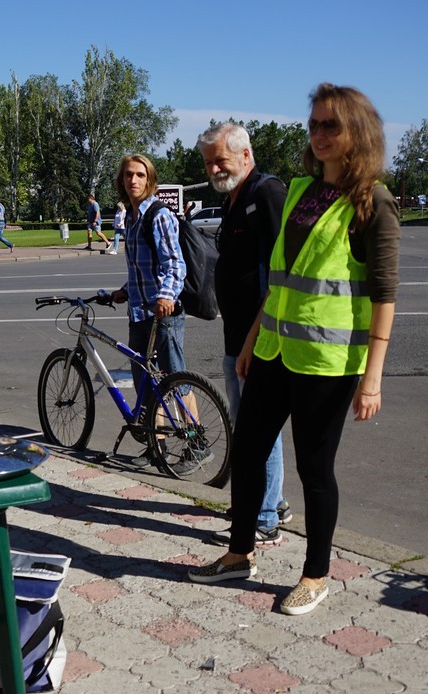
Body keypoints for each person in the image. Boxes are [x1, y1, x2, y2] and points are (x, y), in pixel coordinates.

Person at [189, 84, 400, 618]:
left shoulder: (373, 201)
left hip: (328, 364)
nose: (321, 135)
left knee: (314, 469)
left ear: (358, 131)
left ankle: (316, 575)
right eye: (315, 125)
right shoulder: (303, 188)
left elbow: (385, 294)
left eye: (332, 125)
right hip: (275, 350)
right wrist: (255, 336)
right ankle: (240, 553)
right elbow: (281, 275)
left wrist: (372, 378)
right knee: (249, 449)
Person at [196, 122, 292, 545]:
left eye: (221, 159)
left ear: (246, 155)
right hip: (236, 339)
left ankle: (264, 517)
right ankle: (273, 500)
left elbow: (281, 276)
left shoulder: (266, 194)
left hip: (260, 342)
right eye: (209, 161)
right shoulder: (236, 198)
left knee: (258, 430)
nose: (214, 167)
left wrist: (253, 343)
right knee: (249, 427)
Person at [108, 154, 188, 465]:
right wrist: (124, 291)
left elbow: (174, 265)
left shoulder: (159, 215)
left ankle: (197, 444)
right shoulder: (130, 217)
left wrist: (166, 297)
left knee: (175, 379)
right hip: (139, 313)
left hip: (164, 314)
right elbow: (143, 269)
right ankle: (157, 449)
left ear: (150, 179)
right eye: (128, 175)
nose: (134, 180)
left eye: (140, 175)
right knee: (146, 383)